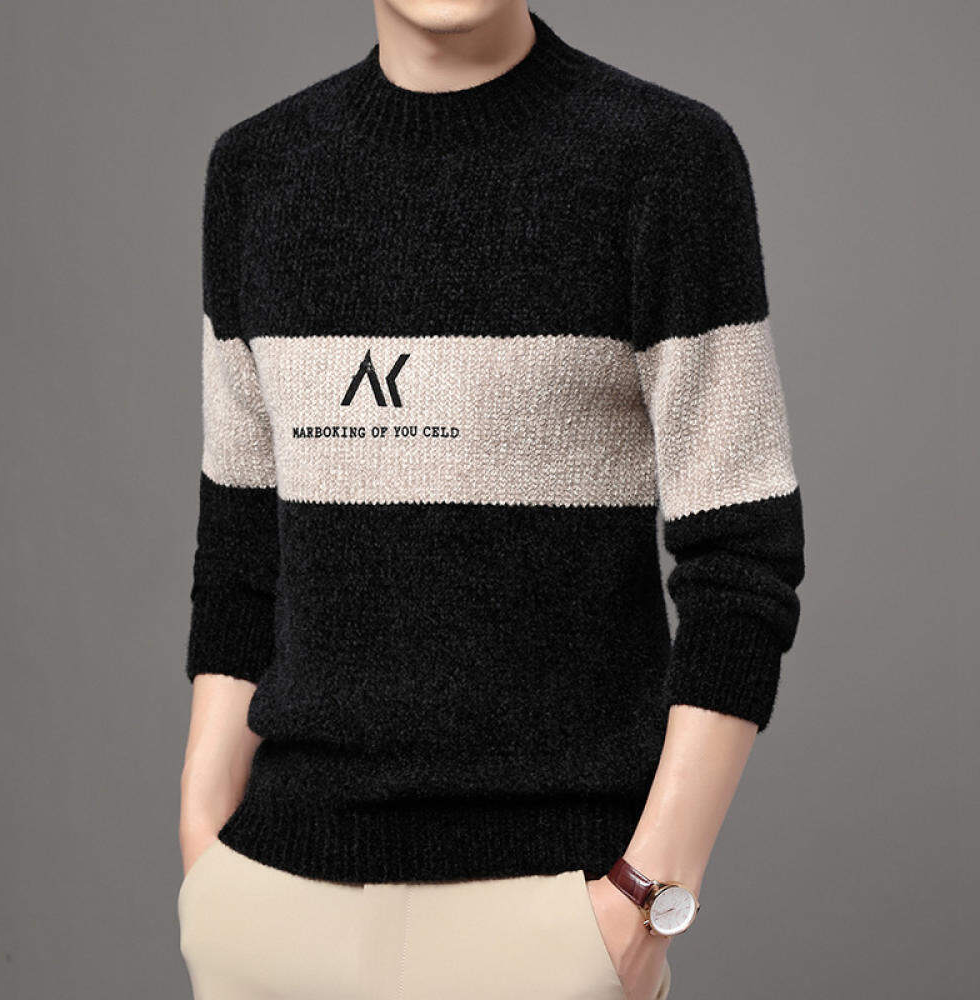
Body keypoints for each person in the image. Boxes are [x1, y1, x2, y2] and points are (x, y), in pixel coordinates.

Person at [176, 2, 806, 998]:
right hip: (272, 904)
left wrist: (644, 894)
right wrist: (205, 842)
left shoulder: (664, 160)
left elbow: (744, 556)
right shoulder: (258, 170)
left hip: (551, 917)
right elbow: (242, 546)